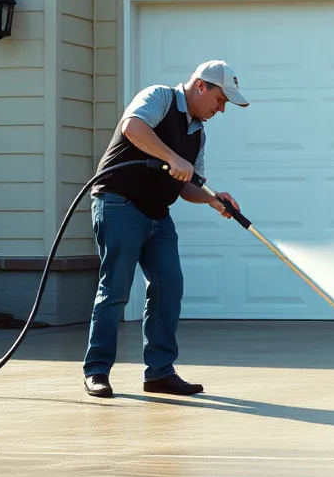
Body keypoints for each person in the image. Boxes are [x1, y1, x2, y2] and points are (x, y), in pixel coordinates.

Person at [81, 60, 249, 398]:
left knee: (168, 287)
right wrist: (172, 158)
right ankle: (97, 370)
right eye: (220, 100)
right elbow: (133, 127)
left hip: (158, 214)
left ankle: (159, 373)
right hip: (118, 204)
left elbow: (187, 184)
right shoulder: (159, 97)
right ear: (201, 86)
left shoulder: (198, 133)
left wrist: (213, 200)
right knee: (115, 290)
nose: (222, 109)